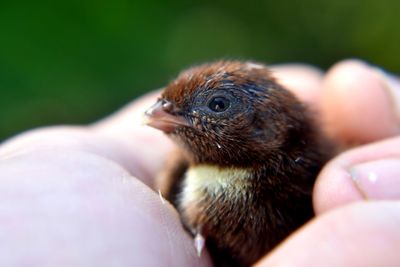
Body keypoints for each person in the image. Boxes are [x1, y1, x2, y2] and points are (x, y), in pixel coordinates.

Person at [0, 59, 398, 266]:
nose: (161, 112)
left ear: (267, 128)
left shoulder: (302, 185)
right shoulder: (174, 172)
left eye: (218, 106)